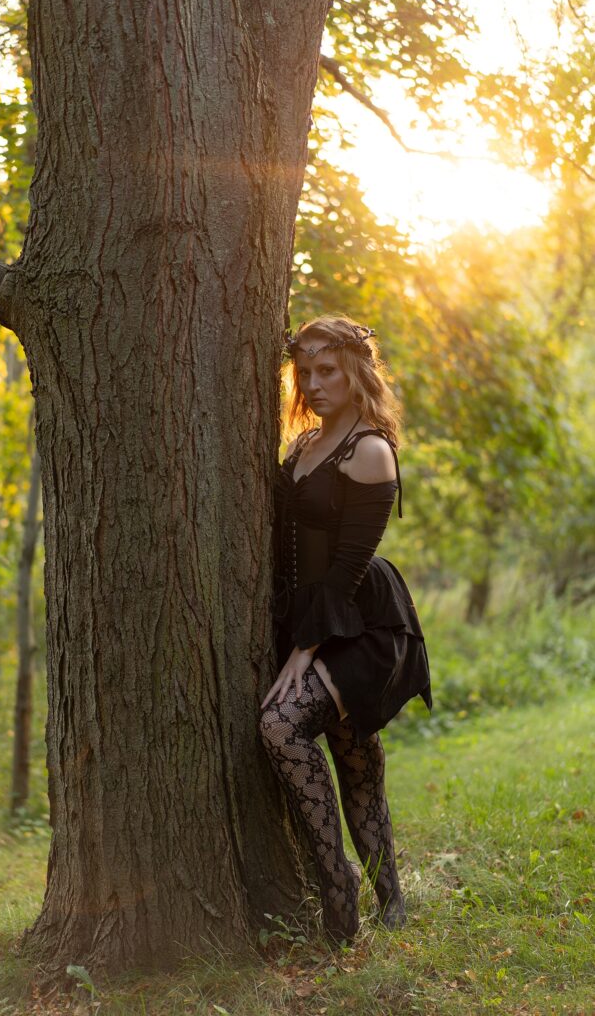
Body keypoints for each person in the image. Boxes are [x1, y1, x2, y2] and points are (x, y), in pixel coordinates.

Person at [259, 314, 432, 944]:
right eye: (304, 371)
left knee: (283, 727)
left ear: (356, 371)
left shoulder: (371, 451)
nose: (314, 381)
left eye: (327, 369)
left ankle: (342, 891)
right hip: (305, 619)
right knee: (355, 760)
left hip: (360, 623)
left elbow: (350, 567)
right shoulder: (303, 445)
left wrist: (305, 650)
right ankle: (389, 897)